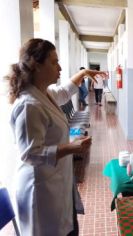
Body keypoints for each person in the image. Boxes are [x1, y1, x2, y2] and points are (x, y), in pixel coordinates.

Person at [5, 38, 106, 236]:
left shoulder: (44, 94)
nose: (59, 67)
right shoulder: (29, 105)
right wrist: (72, 147)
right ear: (36, 65)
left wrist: (84, 73)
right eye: (54, 62)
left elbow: (65, 92)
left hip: (55, 182)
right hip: (40, 189)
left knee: (67, 228)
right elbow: (30, 154)